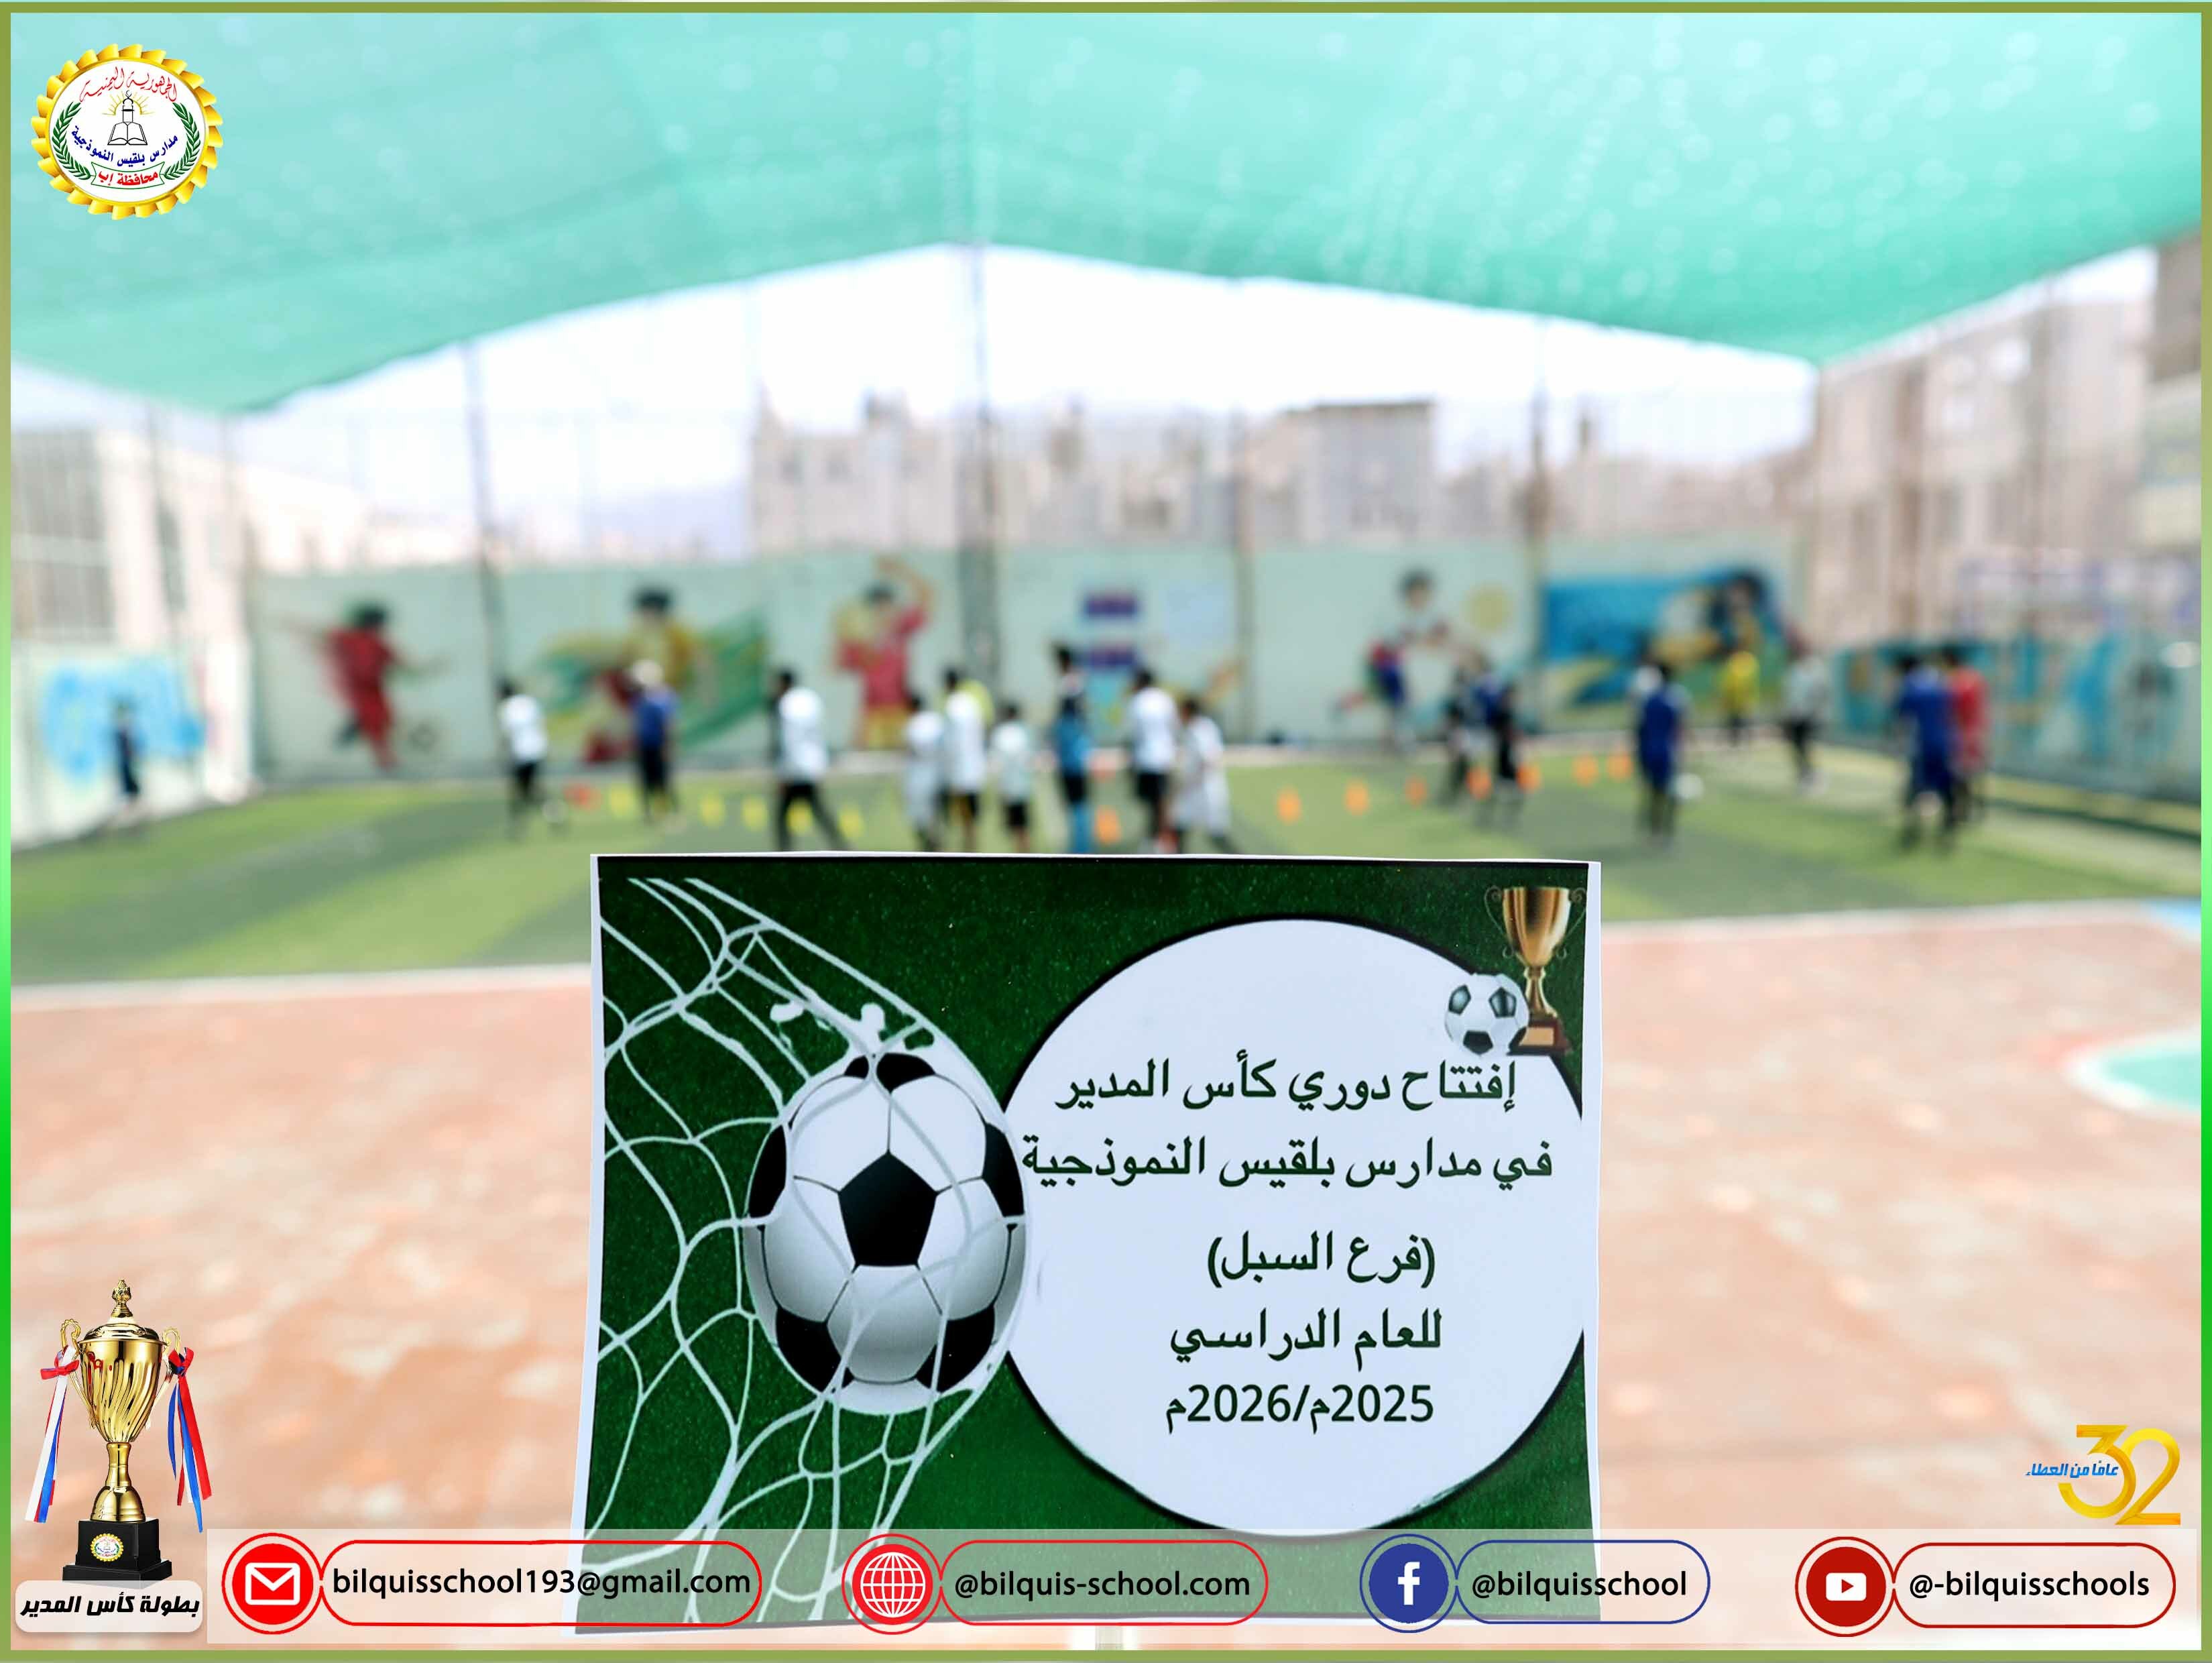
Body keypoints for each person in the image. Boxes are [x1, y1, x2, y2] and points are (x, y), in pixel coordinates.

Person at [834, 557, 935, 749]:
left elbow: (926, 594)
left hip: (900, 709)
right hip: (873, 713)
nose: (884, 612)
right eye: (878, 607)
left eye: (888, 606)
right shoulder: (861, 641)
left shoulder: (901, 630)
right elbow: (838, 666)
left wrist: (900, 570)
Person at [771, 667, 846, 851]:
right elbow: (819, 735)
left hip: (795, 769)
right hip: (813, 766)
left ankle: (784, 854)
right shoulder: (810, 699)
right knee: (818, 811)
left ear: (783, 684)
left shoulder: (786, 704)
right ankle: (841, 847)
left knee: (783, 816)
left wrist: (785, 773)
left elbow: (789, 740)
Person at [1894, 652, 1961, 849]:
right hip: (1945, 743)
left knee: (1916, 788)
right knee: (1946, 789)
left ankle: (1913, 830)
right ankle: (1948, 831)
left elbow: (1902, 716)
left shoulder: (1911, 687)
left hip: (1922, 745)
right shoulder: (1942, 685)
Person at [1126, 666, 1181, 852]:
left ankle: (1158, 841)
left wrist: (1131, 762)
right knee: (1161, 802)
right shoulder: (1165, 700)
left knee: (1154, 804)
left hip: (1145, 759)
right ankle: (1158, 839)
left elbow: (1134, 734)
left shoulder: (1137, 701)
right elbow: (1174, 728)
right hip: (1164, 758)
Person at [496, 678, 563, 834]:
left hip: (521, 754)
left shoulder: (506, 708)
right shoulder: (530, 703)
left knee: (523, 791)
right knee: (530, 789)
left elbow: (507, 734)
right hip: (537, 750)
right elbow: (541, 724)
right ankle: (552, 814)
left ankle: (520, 824)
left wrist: (502, 754)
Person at [1635, 661, 1690, 844]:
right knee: (1671, 792)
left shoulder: (1650, 698)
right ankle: (1667, 830)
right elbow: (1681, 727)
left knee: (1654, 792)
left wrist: (1639, 752)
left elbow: (1641, 728)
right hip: (1667, 751)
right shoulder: (1677, 698)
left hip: (1650, 750)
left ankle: (1655, 830)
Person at [1173, 694, 1234, 852]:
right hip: (1203, 788)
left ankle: (1242, 863)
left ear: (1187, 711)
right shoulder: (1206, 726)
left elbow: (1207, 760)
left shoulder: (1197, 730)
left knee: (1216, 835)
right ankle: (1179, 863)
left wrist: (1188, 781)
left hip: (1203, 790)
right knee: (1180, 829)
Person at [1050, 644, 1094, 853]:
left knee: (1077, 802)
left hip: (1073, 754)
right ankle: (1080, 845)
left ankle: (1081, 848)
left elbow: (1071, 719)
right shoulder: (1076, 683)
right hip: (1074, 753)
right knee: (1076, 802)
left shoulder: (1070, 684)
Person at [939, 667, 989, 853]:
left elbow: (951, 743)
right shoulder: (971, 703)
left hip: (959, 770)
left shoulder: (952, 706)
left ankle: (967, 849)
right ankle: (972, 846)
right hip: (974, 767)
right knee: (972, 815)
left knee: (961, 814)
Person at [1943, 643, 1989, 821]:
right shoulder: (1976, 678)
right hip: (1977, 730)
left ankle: (1963, 808)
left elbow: (1953, 710)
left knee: (1961, 773)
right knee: (1975, 771)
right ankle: (1977, 807)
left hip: (1962, 733)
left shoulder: (1956, 682)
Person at [630, 659, 681, 821]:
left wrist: (668, 746)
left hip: (658, 745)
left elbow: (668, 724)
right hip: (645, 745)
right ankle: (649, 813)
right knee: (646, 781)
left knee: (664, 781)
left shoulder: (663, 697)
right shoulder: (641, 698)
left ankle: (672, 812)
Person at [1780, 639, 1832, 792]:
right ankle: (1803, 775)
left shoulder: (1816, 668)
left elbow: (1822, 692)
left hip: (1809, 716)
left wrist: (1816, 710)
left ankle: (1813, 776)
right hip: (1795, 716)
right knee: (1797, 747)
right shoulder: (1794, 669)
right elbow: (1790, 695)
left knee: (1807, 747)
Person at [1476, 675, 1525, 826]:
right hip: (1505, 754)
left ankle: (1490, 816)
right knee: (1511, 790)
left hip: (1504, 752)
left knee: (1503, 789)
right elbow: (1506, 732)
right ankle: (1497, 817)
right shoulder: (1504, 711)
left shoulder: (1503, 710)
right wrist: (1516, 738)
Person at [901, 688, 945, 852]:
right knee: (935, 814)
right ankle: (936, 845)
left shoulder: (913, 725)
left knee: (919, 816)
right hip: (938, 774)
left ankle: (926, 847)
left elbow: (910, 751)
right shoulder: (936, 721)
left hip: (918, 777)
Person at [990, 700, 1035, 854]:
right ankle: (1024, 852)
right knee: (1023, 825)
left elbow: (997, 763)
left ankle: (1018, 853)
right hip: (1022, 786)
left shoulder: (1001, 734)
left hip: (1007, 787)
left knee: (1013, 826)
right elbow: (1029, 760)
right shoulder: (1023, 733)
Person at [1718, 643, 1759, 746]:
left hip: (1740, 697)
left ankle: (1742, 740)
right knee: (1736, 720)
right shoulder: (1747, 661)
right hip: (1737, 698)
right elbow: (1728, 682)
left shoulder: (1742, 661)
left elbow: (1728, 681)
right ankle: (1739, 740)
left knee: (1740, 720)